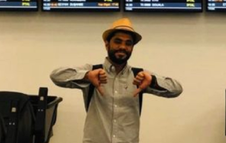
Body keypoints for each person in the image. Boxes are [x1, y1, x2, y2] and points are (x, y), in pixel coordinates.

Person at [50, 17, 183, 143]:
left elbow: (176, 89)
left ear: (132, 48)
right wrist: (87, 76)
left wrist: (153, 81)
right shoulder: (93, 71)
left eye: (128, 43)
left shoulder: (140, 77)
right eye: (118, 41)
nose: (123, 47)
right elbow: (56, 76)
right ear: (107, 44)